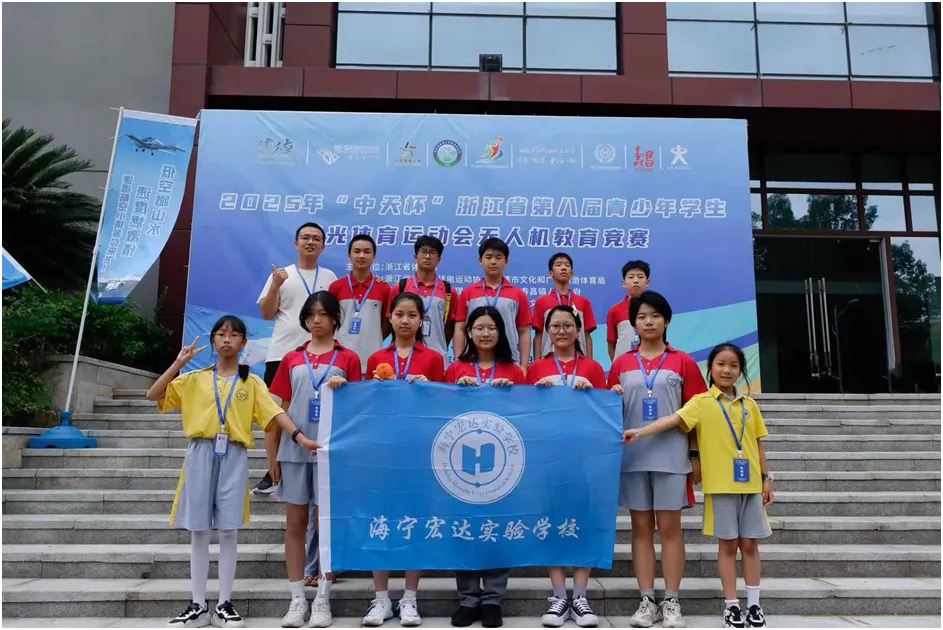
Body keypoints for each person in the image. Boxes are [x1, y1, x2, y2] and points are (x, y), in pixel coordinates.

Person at [146, 315, 320, 629]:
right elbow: (154, 394)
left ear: (243, 343)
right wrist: (178, 364)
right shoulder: (194, 378)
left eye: (234, 335)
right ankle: (198, 605)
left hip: (234, 455)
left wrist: (299, 437)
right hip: (200, 452)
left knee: (228, 531)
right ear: (213, 340)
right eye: (222, 334)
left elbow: (275, 413)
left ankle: (224, 604)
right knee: (200, 531)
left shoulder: (251, 382)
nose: (227, 339)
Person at [624, 343, 774, 630]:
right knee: (727, 546)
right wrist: (640, 432)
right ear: (711, 368)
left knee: (750, 545)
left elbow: (758, 444)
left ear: (741, 371)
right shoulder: (700, 402)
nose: (727, 370)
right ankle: (732, 607)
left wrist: (766, 479)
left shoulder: (750, 406)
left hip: (751, 486)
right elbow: (670, 420)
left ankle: (755, 606)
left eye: (733, 365)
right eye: (721, 364)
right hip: (720, 487)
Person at [608, 291, 706, 629]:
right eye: (641, 317)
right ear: (633, 324)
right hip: (633, 458)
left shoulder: (683, 362)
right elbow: (608, 413)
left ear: (666, 321)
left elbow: (697, 413)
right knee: (640, 530)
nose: (648, 322)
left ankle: (672, 601)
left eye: (654, 316)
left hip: (672, 457)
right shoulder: (621, 364)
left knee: (670, 529)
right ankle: (647, 600)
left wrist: (695, 455)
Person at [269, 292, 363, 628]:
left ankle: (322, 597)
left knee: (326, 527)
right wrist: (277, 453)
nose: (317, 320)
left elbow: (358, 410)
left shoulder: (348, 358)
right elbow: (275, 408)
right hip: (295, 450)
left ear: (336, 318)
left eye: (324, 314)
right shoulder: (292, 358)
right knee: (295, 525)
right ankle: (297, 599)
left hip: (331, 453)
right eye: (311, 314)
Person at [362, 292, 445, 627]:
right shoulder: (376, 358)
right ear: (390, 318)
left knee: (415, 522)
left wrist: (430, 388)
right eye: (399, 314)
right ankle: (381, 599)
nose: (406, 320)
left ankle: (410, 598)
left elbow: (444, 407)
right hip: (382, 452)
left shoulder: (434, 359)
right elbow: (365, 407)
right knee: (380, 522)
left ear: (421, 320)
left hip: (419, 453)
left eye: (412, 315)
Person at [525, 305, 606, 628]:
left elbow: (604, 414)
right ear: (547, 331)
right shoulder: (536, 368)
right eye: (555, 326)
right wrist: (538, 395)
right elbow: (525, 415)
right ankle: (559, 596)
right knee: (551, 523)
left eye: (568, 325)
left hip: (584, 459)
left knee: (582, 523)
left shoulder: (593, 368)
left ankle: (581, 596)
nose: (561, 331)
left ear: (578, 330)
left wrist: (592, 394)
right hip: (548, 458)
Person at [444, 306, 523, 629]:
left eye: (491, 327)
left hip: (503, 466)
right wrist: (457, 393)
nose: (485, 333)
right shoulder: (455, 369)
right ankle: (468, 598)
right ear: (469, 332)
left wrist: (511, 396)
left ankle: (492, 599)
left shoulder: (514, 371)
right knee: (464, 529)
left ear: (501, 332)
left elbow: (527, 417)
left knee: (497, 529)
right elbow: (440, 413)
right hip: (460, 465)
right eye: (479, 327)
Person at [255, 222, 337, 494]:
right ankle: (271, 470)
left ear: (323, 246)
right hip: (282, 354)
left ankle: (306, 462)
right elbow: (266, 313)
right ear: (296, 243)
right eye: (305, 237)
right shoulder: (282, 275)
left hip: (319, 356)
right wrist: (275, 286)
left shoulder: (330, 278)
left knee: (309, 413)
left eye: (316, 238)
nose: (310, 242)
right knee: (275, 414)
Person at [453, 238, 532, 371]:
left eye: (498, 257)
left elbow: (524, 331)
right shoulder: (468, 293)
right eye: (488, 257)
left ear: (506, 262)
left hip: (509, 361)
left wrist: (523, 366)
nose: (493, 262)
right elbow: (460, 329)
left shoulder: (518, 295)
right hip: (473, 363)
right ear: (480, 260)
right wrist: (458, 361)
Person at [388, 235, 456, 365]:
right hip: (403, 358)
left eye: (432, 253)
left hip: (438, 358)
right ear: (415, 257)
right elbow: (390, 322)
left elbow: (450, 327)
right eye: (423, 252)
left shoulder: (449, 291)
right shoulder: (400, 287)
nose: (428, 256)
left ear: (439, 259)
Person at [329, 234, 391, 376]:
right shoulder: (336, 287)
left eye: (367, 252)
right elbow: (331, 322)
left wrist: (373, 337)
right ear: (349, 256)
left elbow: (386, 323)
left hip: (372, 359)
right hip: (340, 359)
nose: (361, 256)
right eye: (357, 251)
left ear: (374, 257)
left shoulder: (383, 288)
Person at [533, 252, 598, 361]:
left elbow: (587, 335)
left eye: (567, 265)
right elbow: (538, 335)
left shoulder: (583, 302)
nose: (563, 268)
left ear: (572, 274)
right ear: (551, 273)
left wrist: (590, 362)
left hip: (579, 360)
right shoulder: (542, 302)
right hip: (549, 359)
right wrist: (537, 363)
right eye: (558, 265)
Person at [606, 260, 651, 362]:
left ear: (647, 282)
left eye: (640, 277)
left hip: (650, 365)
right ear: (624, 283)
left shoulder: (655, 308)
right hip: (624, 366)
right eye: (631, 277)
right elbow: (611, 344)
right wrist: (618, 365)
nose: (635, 281)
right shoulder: (615, 310)